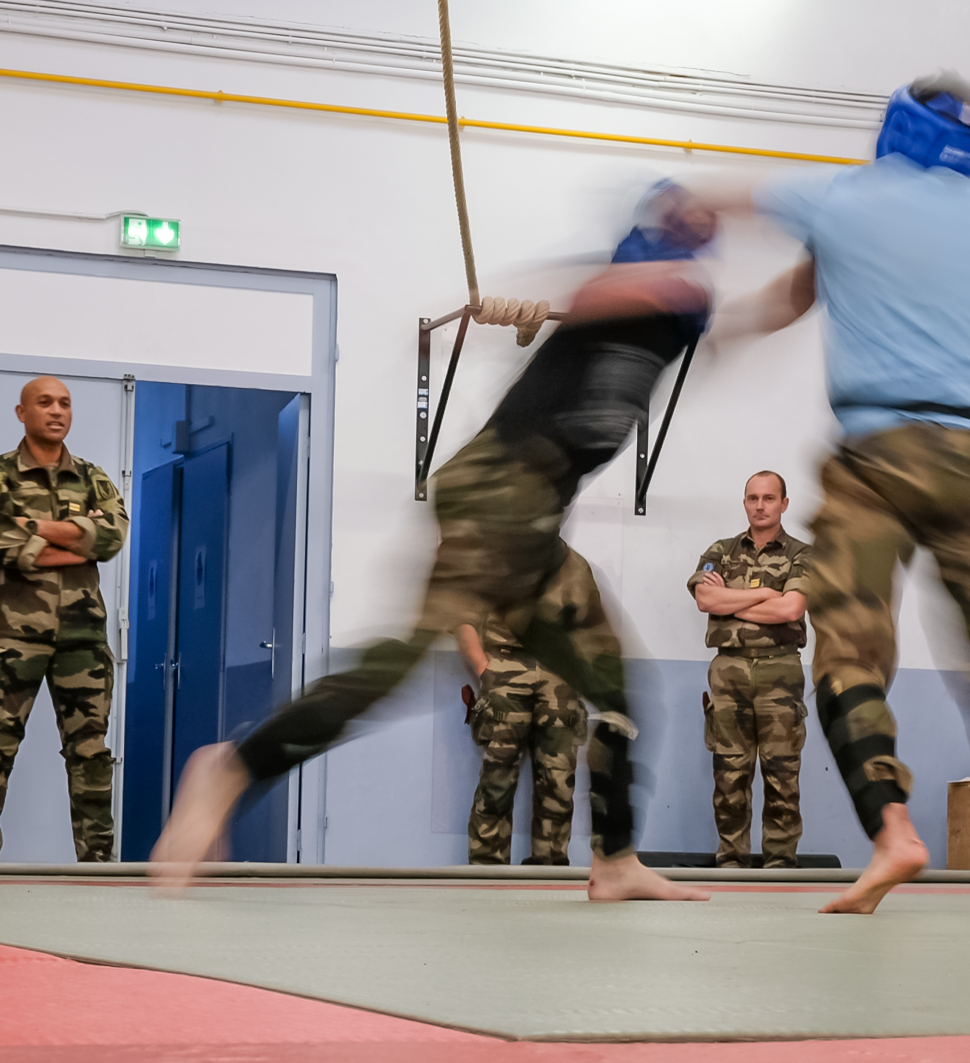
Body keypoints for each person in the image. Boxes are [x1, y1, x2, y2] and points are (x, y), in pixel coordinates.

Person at [153, 181, 719, 901]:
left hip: (537, 515)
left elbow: (746, 319)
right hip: (500, 488)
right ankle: (232, 766)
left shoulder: (679, 317)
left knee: (613, 687)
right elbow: (591, 290)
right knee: (401, 659)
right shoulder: (619, 295)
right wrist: (556, 295)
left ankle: (614, 859)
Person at [711, 73, 970, 912]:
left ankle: (892, 832)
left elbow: (733, 207)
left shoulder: (849, 197)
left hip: (872, 452)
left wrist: (723, 328)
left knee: (851, 654)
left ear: (898, 127)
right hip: (966, 450)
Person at [0, 376, 128, 862]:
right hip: (13, 639)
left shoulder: (93, 478)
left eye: (65, 403)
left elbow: (111, 539)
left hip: (83, 639)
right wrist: (78, 538)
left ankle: (97, 864)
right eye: (45, 402)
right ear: (21, 413)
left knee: (91, 753)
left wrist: (31, 529)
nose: (57, 411)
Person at [688, 471, 810, 869]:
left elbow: (791, 609)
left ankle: (780, 863)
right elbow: (706, 599)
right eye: (753, 498)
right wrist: (762, 594)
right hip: (729, 671)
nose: (760, 505)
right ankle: (731, 860)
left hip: (780, 671)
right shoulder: (720, 551)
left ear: (784, 504)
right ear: (745, 503)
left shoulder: (802, 555)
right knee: (729, 773)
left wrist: (731, 601)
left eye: (769, 498)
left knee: (781, 775)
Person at [459, 541, 599, 866]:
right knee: (496, 779)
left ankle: (549, 871)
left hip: (560, 678)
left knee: (559, 782)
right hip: (505, 670)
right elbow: (463, 620)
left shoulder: (575, 564)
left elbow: (592, 625)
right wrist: (485, 670)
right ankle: (486, 872)